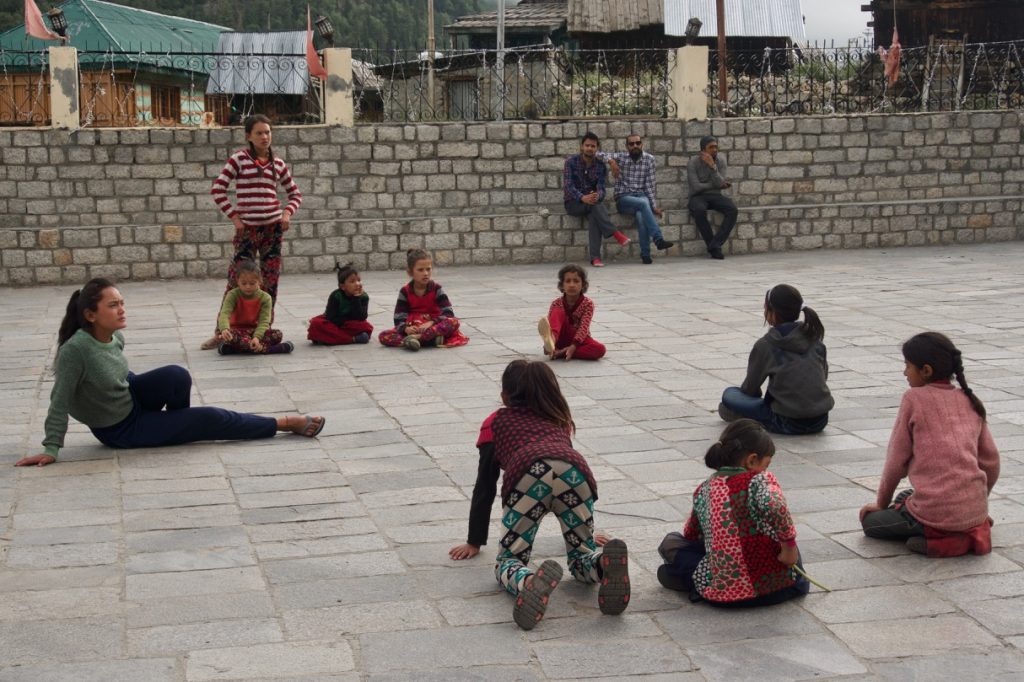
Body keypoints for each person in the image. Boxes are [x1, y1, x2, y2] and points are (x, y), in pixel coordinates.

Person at [15, 278, 325, 468]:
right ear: (90, 315)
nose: (122, 310)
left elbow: (116, 375)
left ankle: (179, 428)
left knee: (178, 375)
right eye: (113, 305)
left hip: (130, 394)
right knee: (209, 419)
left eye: (122, 303)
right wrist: (51, 448)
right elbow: (59, 399)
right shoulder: (75, 351)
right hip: (120, 428)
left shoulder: (114, 336)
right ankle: (284, 423)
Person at [448, 359, 629, 630]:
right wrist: (588, 536)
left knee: (510, 560)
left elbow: (485, 483)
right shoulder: (558, 419)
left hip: (528, 477)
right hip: (576, 473)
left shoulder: (495, 422)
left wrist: (474, 541)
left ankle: (529, 581)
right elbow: (558, 461)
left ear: (505, 395)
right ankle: (602, 563)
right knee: (580, 556)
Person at [859, 332, 1000, 557]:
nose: (904, 372)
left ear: (926, 370)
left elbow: (896, 462)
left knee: (871, 523)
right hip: (974, 510)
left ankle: (945, 541)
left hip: (936, 513)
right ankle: (968, 530)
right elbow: (991, 463)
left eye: (907, 366)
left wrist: (880, 503)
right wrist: (976, 503)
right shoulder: (969, 399)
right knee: (906, 495)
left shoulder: (913, 399)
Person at [657, 419, 810, 607]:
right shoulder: (759, 480)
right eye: (766, 464)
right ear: (752, 460)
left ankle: (681, 576)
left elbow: (691, 535)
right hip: (782, 589)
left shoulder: (704, 490)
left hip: (724, 599)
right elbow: (775, 503)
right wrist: (789, 548)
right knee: (788, 543)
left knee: (673, 543)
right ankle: (684, 576)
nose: (766, 469)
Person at [201, 114, 302, 349]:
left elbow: (295, 193)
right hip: (247, 232)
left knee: (270, 282)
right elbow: (218, 189)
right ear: (248, 136)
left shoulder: (277, 164)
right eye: (259, 133)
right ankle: (222, 332)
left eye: (267, 132)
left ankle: (262, 331)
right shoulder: (239, 160)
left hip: (272, 231)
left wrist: (286, 214)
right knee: (236, 281)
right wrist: (234, 216)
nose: (264, 137)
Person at [719, 284, 833, 435]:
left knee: (729, 395)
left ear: (771, 312)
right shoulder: (814, 338)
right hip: (820, 420)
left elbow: (750, 388)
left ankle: (749, 418)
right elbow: (822, 377)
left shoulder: (765, 345)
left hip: (786, 421)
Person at [601, 134, 674, 264]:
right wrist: (611, 162)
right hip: (623, 198)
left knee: (641, 214)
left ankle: (645, 255)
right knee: (643, 203)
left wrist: (653, 206)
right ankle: (658, 239)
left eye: (638, 143)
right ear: (627, 146)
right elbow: (599, 154)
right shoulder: (622, 157)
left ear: (642, 144)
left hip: (641, 198)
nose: (635, 146)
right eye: (631, 144)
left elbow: (650, 186)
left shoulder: (649, 159)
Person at [378, 249, 469, 351]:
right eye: (420, 270)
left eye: (428, 269)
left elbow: (448, 313)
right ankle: (430, 340)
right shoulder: (405, 291)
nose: (425, 273)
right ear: (410, 272)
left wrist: (431, 323)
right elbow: (399, 317)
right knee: (383, 336)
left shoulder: (436, 288)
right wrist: (406, 329)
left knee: (453, 322)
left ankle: (418, 339)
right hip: (414, 327)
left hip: (433, 326)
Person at [563, 132, 631, 268]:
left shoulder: (600, 166)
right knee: (595, 207)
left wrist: (596, 196)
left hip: (592, 203)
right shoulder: (570, 162)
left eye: (593, 146)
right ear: (582, 147)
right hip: (573, 203)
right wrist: (582, 197)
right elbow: (568, 186)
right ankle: (615, 233)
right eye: (587, 145)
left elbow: (601, 189)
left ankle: (595, 259)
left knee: (595, 212)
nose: (589, 148)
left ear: (597, 148)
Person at [216, 259, 293, 355]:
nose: (248, 287)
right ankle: (269, 349)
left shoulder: (265, 298)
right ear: (238, 281)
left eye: (252, 283)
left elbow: (264, 321)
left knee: (277, 334)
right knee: (230, 337)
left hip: (256, 331)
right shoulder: (232, 295)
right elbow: (224, 314)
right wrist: (224, 329)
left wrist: (257, 337)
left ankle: (236, 349)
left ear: (259, 281)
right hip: (238, 332)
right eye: (244, 283)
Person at [537, 264, 606, 361]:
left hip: (579, 340)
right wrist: (549, 343)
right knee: (557, 312)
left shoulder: (588, 304)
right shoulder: (556, 303)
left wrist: (573, 346)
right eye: (568, 281)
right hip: (559, 338)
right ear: (562, 285)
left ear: (583, 285)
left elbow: (584, 327)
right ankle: (552, 343)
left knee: (600, 349)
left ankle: (563, 352)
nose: (572, 285)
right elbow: (552, 324)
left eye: (576, 281)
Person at [687, 135, 737, 260]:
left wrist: (713, 167)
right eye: (711, 147)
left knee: (732, 210)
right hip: (698, 197)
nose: (714, 150)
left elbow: (720, 184)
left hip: (715, 195)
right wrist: (717, 184)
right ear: (703, 150)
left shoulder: (720, 161)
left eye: (716, 147)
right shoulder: (693, 163)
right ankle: (714, 248)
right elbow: (695, 187)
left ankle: (715, 244)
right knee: (698, 210)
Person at [307, 261, 374, 346]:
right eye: (352, 281)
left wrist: (356, 298)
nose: (357, 284)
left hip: (351, 324)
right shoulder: (336, 295)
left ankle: (329, 338)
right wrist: (344, 323)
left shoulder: (364, 296)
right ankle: (352, 339)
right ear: (343, 286)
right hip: (336, 323)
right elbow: (331, 317)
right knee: (316, 323)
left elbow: (361, 317)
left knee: (366, 327)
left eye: (359, 280)